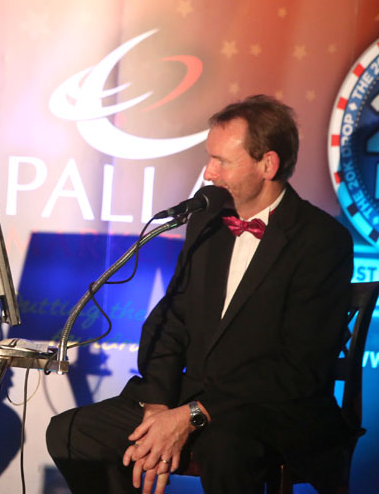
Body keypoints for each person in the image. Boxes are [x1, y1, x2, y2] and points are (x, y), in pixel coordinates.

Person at [46, 95, 354, 493]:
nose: (209, 173)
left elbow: (299, 367)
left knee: (225, 448)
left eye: (221, 161)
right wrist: (158, 405)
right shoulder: (208, 222)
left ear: (268, 165)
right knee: (71, 432)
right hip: (192, 397)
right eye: (210, 158)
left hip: (272, 410)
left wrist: (191, 415)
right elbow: (172, 321)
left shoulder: (321, 240)